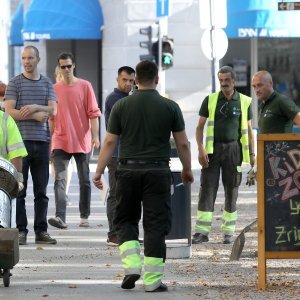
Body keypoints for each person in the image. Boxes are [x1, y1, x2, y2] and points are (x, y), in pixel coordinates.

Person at [93, 60, 193, 293]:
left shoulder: (121, 106)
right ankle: (152, 281)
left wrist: (98, 171)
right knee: (155, 224)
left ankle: (131, 267)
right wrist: (187, 169)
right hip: (157, 172)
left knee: (125, 219)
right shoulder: (170, 107)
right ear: (157, 80)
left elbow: (109, 142)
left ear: (136, 80)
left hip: (127, 171)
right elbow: (183, 144)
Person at [192, 66, 255, 245]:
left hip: (234, 150)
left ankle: (228, 233)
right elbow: (199, 127)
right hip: (212, 151)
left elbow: (249, 131)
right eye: (221, 80)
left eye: (227, 80)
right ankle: (202, 232)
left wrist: (252, 154)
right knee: (207, 189)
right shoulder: (210, 100)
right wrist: (201, 149)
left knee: (232, 190)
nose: (224, 83)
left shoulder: (244, 101)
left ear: (234, 81)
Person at [4, 45, 57, 245]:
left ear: (38, 59)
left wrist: (35, 106)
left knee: (41, 192)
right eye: (24, 58)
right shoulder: (15, 83)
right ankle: (21, 230)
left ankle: (41, 231)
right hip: (20, 144)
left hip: (42, 142)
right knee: (19, 190)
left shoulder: (46, 83)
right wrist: (36, 115)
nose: (27, 61)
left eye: (30, 58)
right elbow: (9, 111)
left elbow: (54, 110)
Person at [48, 52, 101, 230]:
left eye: (69, 66)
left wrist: (95, 136)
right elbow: (51, 117)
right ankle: (60, 217)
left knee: (84, 180)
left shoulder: (85, 86)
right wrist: (51, 138)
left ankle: (84, 216)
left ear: (74, 66)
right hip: (61, 140)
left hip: (82, 140)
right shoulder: (54, 88)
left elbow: (93, 114)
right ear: (59, 68)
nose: (67, 69)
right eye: (63, 66)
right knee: (59, 180)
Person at [104, 65, 135, 246]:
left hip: (130, 153)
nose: (128, 84)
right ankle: (113, 233)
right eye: (125, 80)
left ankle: (126, 233)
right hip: (116, 154)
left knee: (129, 196)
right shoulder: (114, 99)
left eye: (132, 81)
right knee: (116, 194)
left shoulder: (131, 98)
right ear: (117, 79)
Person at [49, 66, 74, 205]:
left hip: (69, 133)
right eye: (59, 73)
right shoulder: (53, 89)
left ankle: (64, 193)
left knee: (67, 165)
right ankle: (62, 191)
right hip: (55, 133)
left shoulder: (72, 88)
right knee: (54, 166)